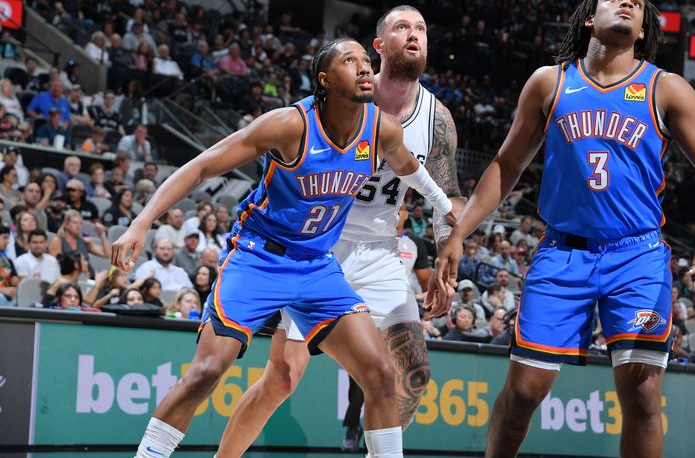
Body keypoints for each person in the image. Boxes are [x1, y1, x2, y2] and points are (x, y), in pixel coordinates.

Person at [112, 37, 457, 458]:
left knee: (383, 374)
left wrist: (444, 208)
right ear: (325, 79)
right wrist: (141, 222)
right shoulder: (289, 125)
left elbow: (410, 168)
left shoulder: (382, 128)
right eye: (351, 61)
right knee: (207, 370)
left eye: (367, 60)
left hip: (317, 266)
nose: (365, 68)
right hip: (260, 258)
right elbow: (202, 166)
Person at [435, 0, 695, 458]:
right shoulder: (549, 82)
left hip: (636, 254)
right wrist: (460, 230)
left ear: (641, 31)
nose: (627, 4)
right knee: (524, 391)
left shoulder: (665, 87)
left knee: (642, 395)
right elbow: (507, 165)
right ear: (590, 19)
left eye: (636, 4)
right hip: (563, 252)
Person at [216, 6, 462, 457]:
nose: (414, 35)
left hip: (382, 248)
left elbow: (447, 195)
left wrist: (448, 253)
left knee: (411, 375)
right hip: (319, 246)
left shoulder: (437, 119)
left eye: (422, 28)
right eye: (402, 27)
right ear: (378, 46)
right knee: (283, 378)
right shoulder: (341, 97)